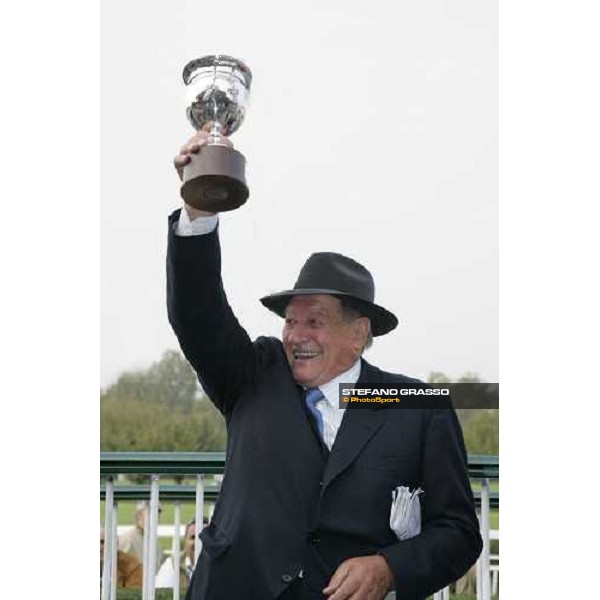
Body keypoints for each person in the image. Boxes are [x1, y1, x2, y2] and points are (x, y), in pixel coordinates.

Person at [168, 131, 483, 600]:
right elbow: (197, 313)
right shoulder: (253, 374)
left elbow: (458, 531)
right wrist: (201, 203)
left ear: (359, 335)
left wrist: (389, 568)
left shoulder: (417, 405)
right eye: (290, 322)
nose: (296, 335)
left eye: (314, 322)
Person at [118, 500, 165, 573]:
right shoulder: (127, 540)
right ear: (139, 516)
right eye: (150, 513)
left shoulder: (156, 544)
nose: (155, 518)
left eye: (157, 514)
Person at [155, 518, 203, 589]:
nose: (198, 543)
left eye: (202, 538)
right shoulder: (172, 565)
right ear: (185, 541)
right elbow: (160, 594)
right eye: (193, 537)